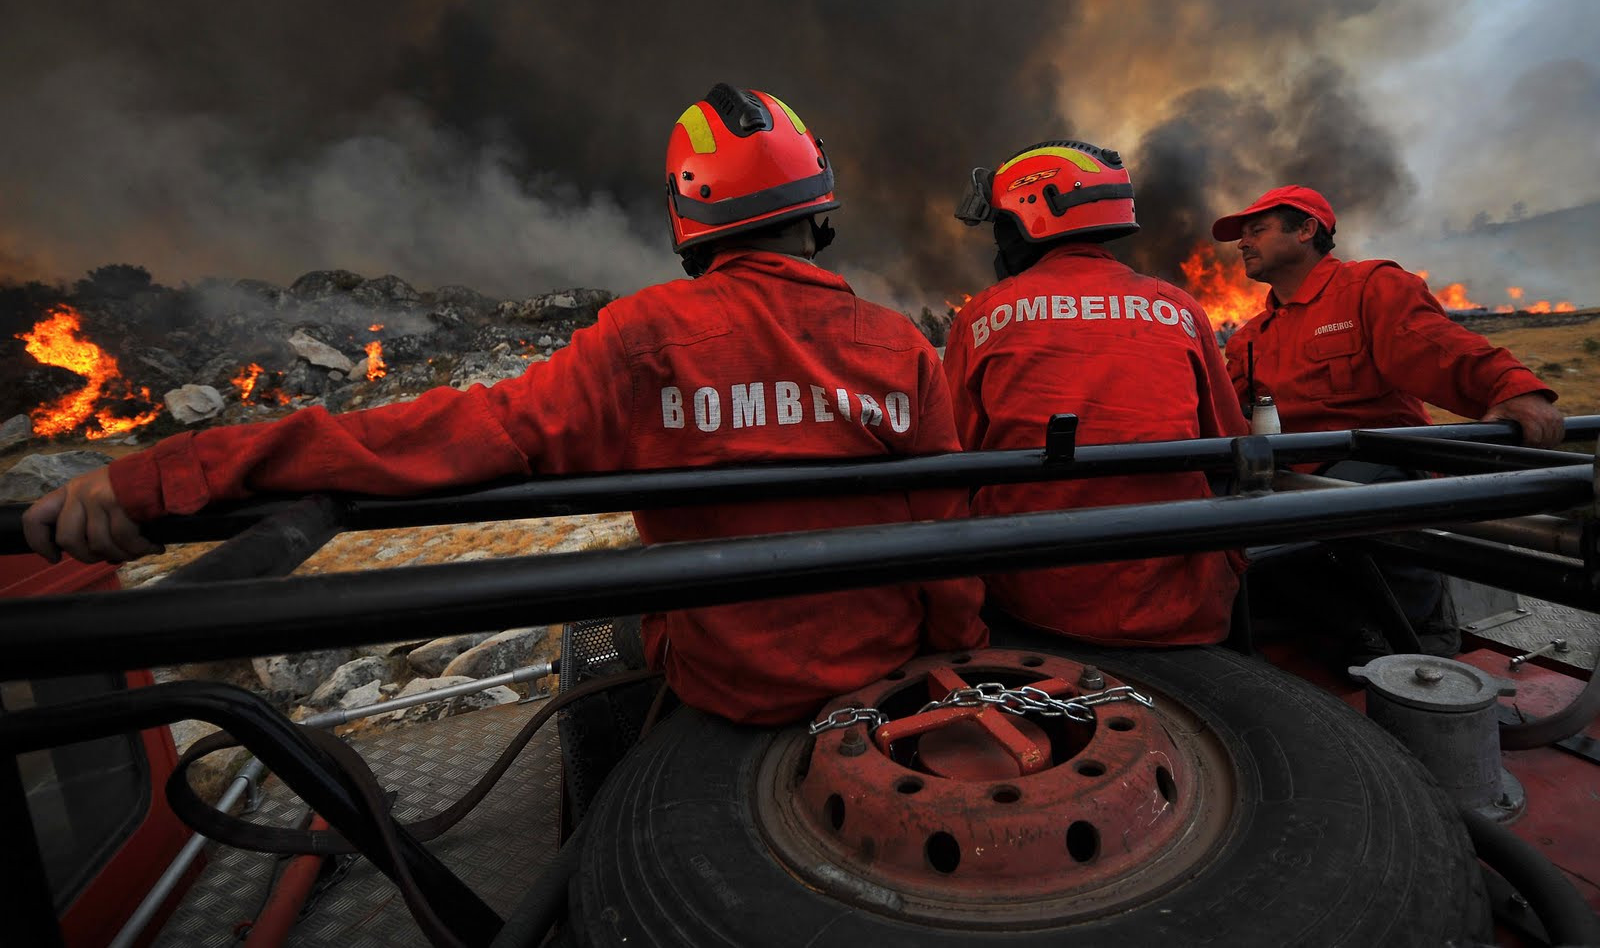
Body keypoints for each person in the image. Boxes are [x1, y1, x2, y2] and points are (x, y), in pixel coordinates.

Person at [23, 82, 988, 726]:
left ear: (688, 221)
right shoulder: (899, 346)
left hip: (728, 689)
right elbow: (947, 539)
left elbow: (457, 437)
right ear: (820, 208)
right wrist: (956, 659)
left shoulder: (643, 339)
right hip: (883, 670)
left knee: (598, 651)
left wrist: (175, 472)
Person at [1211, 184, 1563, 656]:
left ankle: (1419, 633)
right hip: (1292, 487)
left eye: (1257, 230)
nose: (1243, 243)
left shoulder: (1369, 287)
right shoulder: (1251, 337)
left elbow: (1437, 347)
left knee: (1356, 496)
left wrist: (1513, 388)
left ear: (1306, 230)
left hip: (1376, 477)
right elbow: (1227, 417)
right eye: (1242, 235)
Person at [944, 140, 1248, 646]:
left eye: (1000, 225)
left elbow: (952, 456)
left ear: (1028, 216)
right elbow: (1230, 445)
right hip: (1182, 606)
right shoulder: (1179, 308)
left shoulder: (983, 315)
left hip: (1031, 601)